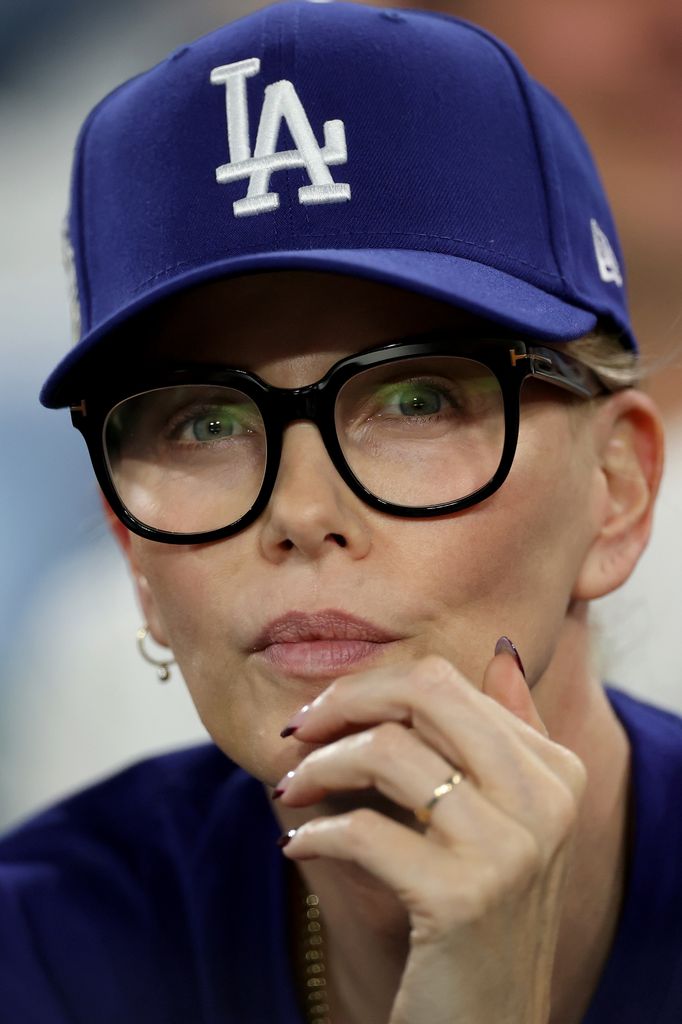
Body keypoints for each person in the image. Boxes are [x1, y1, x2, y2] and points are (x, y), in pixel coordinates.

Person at [1, 2, 679, 1021]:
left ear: (615, 493)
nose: (301, 510)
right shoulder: (45, 950)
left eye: (416, 398)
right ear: (131, 548)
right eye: (201, 421)